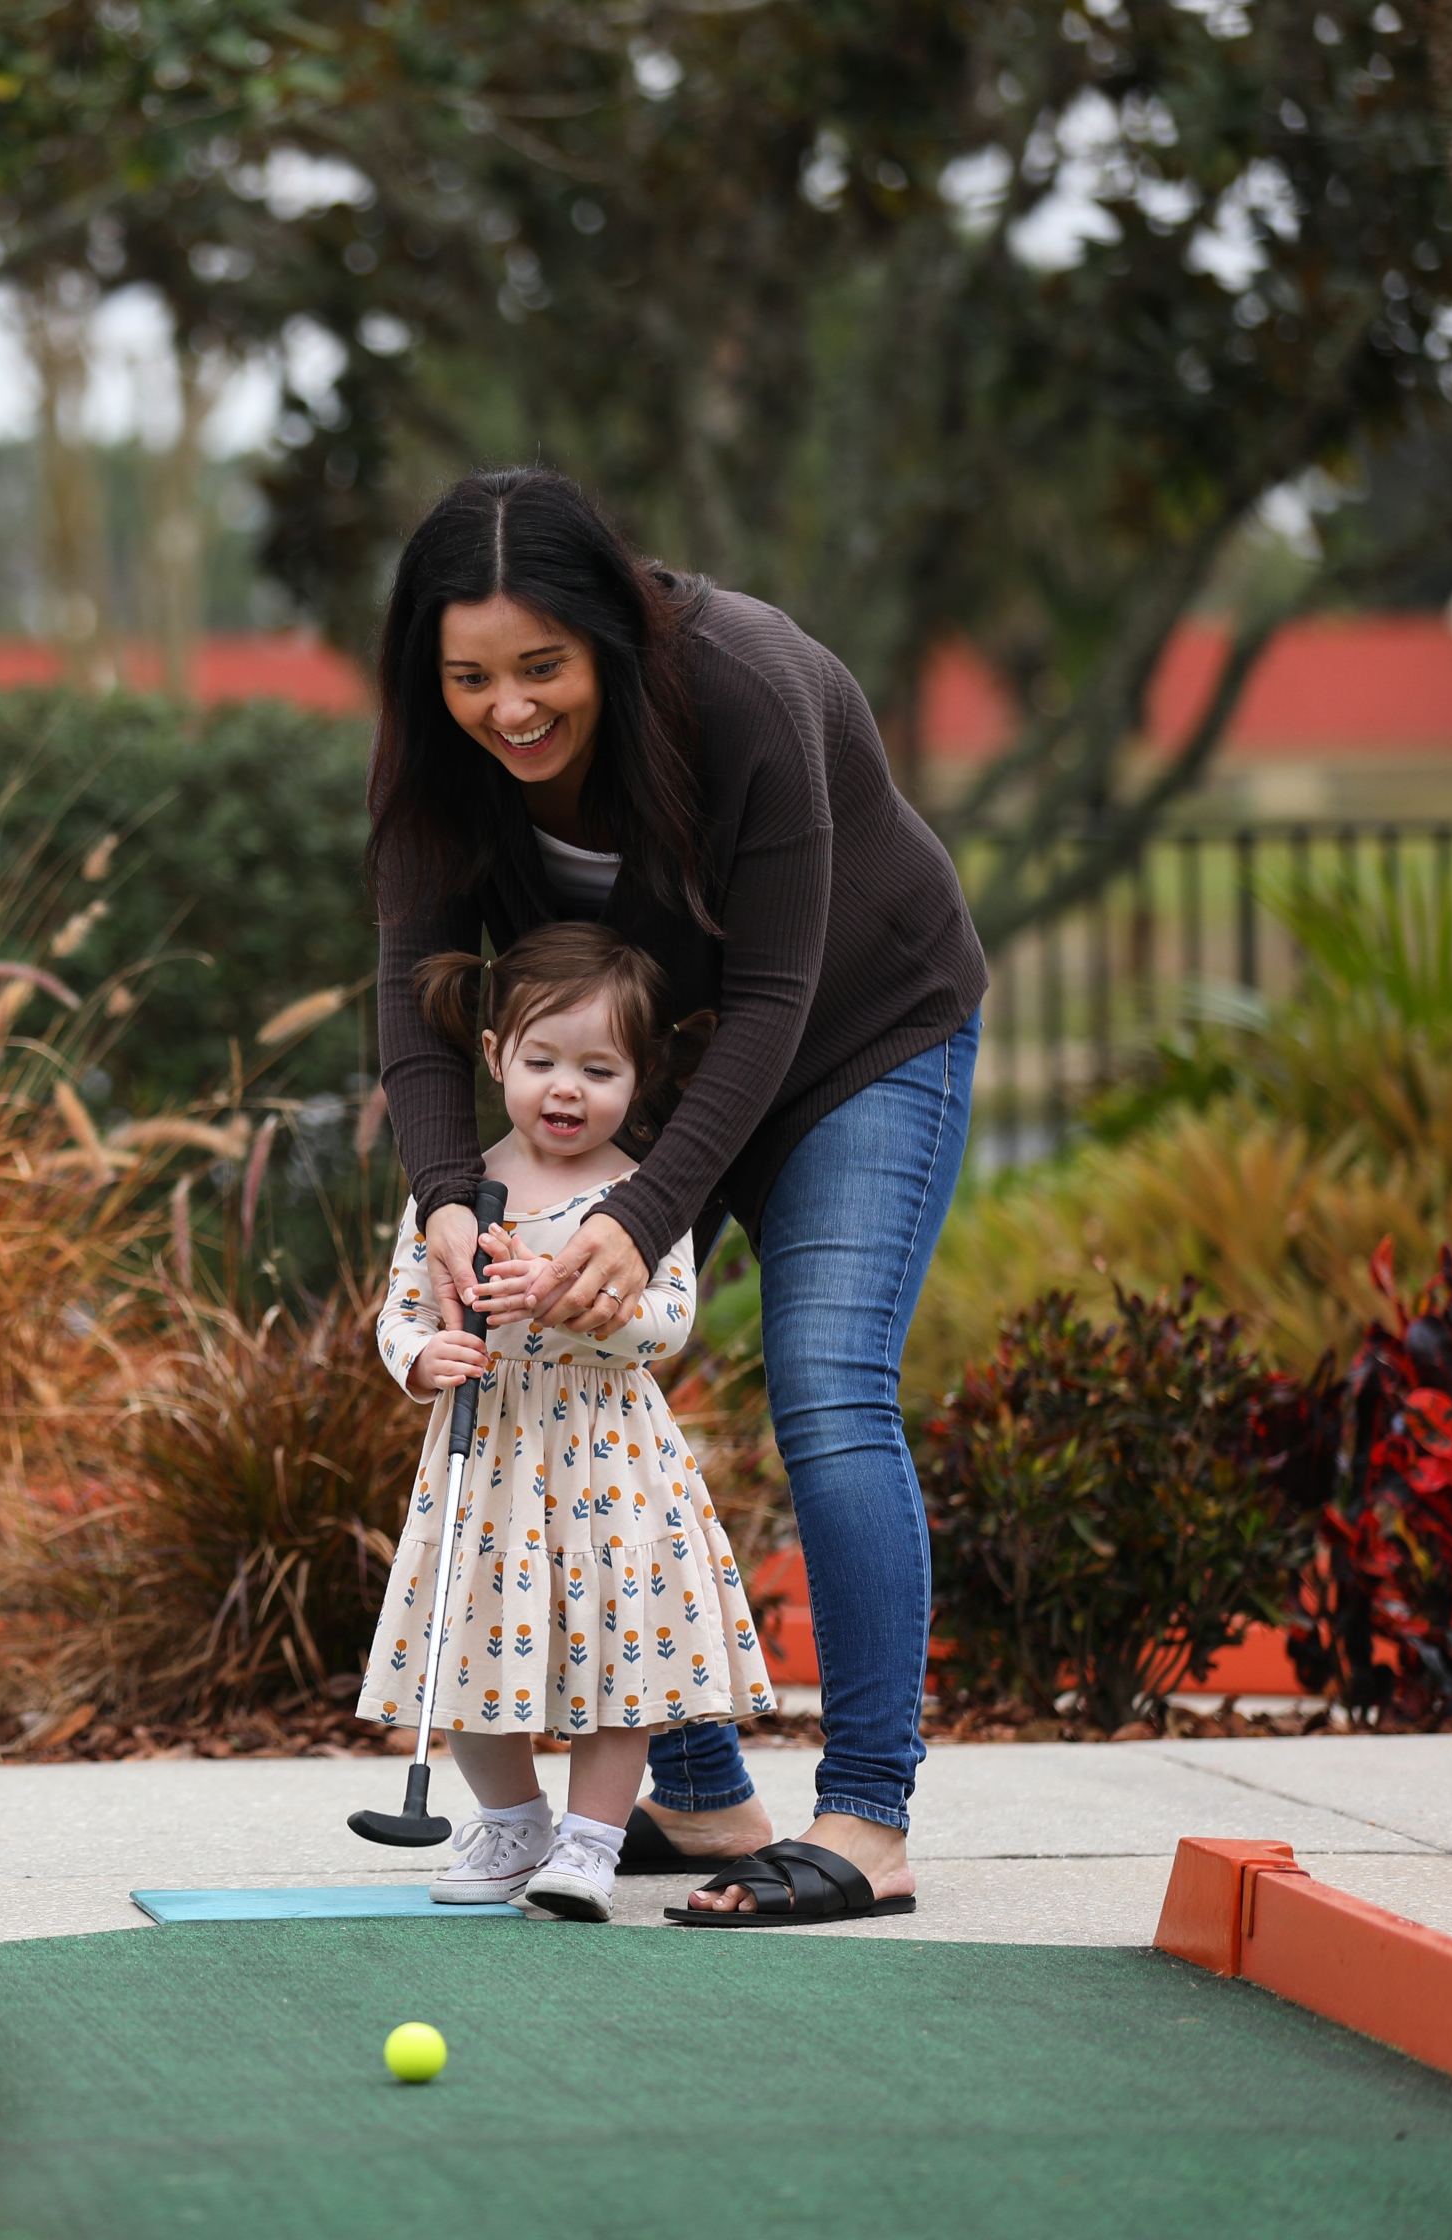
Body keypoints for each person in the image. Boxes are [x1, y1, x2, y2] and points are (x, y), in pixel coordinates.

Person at [368, 467, 988, 1926]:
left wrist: (631, 1224)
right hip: (645, 1073)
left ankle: (869, 1821)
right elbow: (414, 994)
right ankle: (701, 1796)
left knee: (828, 1380)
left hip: (854, 1039)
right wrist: (450, 1198)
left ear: (613, 636)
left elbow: (773, 999)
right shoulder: (434, 755)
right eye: (469, 677)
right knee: (566, 1375)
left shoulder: (748, 687)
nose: (507, 709)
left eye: (542, 670)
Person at [361, 925, 786, 1923]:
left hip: (607, 1457)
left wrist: (571, 1295)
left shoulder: (642, 1195)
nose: (566, 1087)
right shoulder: (455, 1193)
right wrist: (423, 1358)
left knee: (614, 1652)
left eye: (599, 1068)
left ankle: (592, 1841)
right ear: (497, 1051)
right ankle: (513, 1820)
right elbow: (402, 1308)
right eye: (544, 1060)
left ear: (639, 1081)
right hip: (492, 1450)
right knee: (463, 1642)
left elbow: (668, 1320)